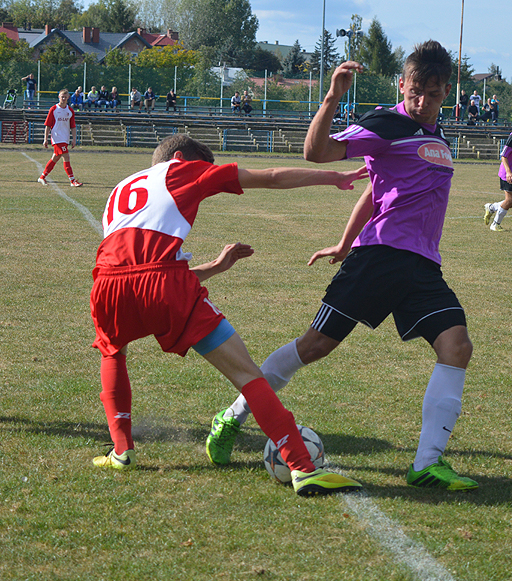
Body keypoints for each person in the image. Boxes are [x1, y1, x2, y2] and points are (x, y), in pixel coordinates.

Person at [208, 41, 479, 492]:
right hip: (379, 258)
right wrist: (333, 95)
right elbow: (315, 153)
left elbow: (376, 192)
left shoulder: (438, 136)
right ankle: (231, 417)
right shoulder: (386, 123)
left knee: (457, 347)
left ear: (445, 93)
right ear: (402, 85)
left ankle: (426, 464)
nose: (422, 101)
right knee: (314, 346)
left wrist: (341, 241)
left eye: (432, 95)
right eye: (415, 91)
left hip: (422, 266)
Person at [89, 133, 367, 497]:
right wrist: (333, 177)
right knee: (248, 375)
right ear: (180, 158)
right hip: (163, 284)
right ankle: (302, 467)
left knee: (113, 352)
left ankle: (121, 450)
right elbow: (268, 177)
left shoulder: (123, 186)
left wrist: (215, 267)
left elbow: (141, 265)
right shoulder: (181, 170)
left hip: (107, 286)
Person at [38, 89, 83, 187]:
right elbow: (48, 125)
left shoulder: (70, 111)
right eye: (62, 96)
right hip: (57, 138)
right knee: (66, 156)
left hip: (65, 138)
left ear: (68, 98)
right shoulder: (54, 109)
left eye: (65, 97)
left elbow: (73, 126)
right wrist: (45, 139)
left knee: (55, 158)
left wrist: (74, 139)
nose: (63, 98)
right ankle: (72, 181)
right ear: (59, 97)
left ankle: (42, 177)